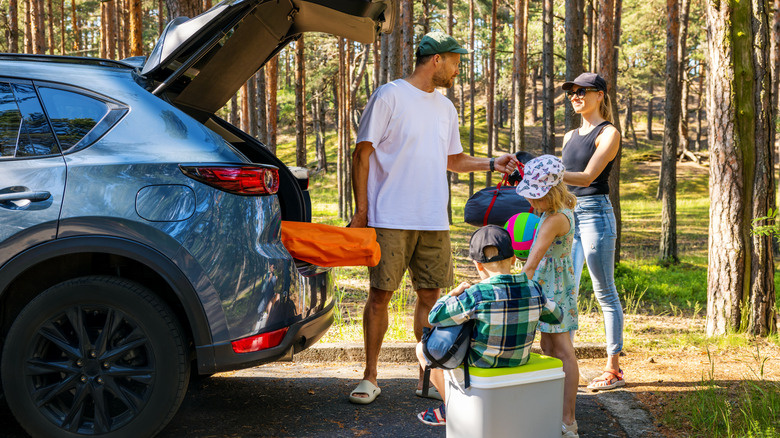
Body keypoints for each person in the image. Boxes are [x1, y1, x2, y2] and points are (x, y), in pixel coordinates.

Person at [347, 31, 520, 405]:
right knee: (380, 296)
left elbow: (453, 161)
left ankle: (427, 375)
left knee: (431, 296)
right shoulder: (389, 95)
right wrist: (362, 211)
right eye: (456, 61)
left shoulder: (445, 107)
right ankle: (370, 376)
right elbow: (362, 154)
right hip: (389, 215)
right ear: (437, 60)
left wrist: (493, 163)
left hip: (433, 219)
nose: (459, 69)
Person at [415, 225, 563, 426]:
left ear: (478, 265)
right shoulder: (534, 289)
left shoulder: (476, 294)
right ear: (513, 259)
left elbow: (434, 317)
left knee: (422, 350)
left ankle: (451, 407)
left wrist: (452, 294)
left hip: (481, 364)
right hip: (519, 360)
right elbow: (557, 317)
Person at [560, 72, 625, 391]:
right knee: (567, 292)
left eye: (582, 91)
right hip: (568, 215)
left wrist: (549, 173)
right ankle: (566, 364)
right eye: (572, 91)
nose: (575, 96)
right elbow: (566, 184)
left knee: (605, 292)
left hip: (596, 214)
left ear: (600, 95)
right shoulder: (569, 136)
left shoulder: (609, 133)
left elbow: (586, 177)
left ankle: (613, 369)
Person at [517, 155, 580, 438]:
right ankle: (552, 411)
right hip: (549, 283)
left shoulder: (555, 218)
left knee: (563, 350)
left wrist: (510, 289)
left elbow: (533, 261)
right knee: (549, 347)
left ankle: (568, 419)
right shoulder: (554, 211)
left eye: (535, 197)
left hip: (552, 288)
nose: (531, 203)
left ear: (551, 192)